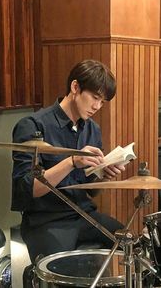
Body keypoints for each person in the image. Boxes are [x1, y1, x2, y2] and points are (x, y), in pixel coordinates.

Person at [12, 59, 125, 264]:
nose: (97, 106)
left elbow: (91, 191)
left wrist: (103, 174)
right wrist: (71, 161)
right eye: (95, 98)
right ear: (75, 87)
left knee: (133, 244)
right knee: (62, 271)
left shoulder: (92, 129)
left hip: (83, 215)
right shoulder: (33, 126)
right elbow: (26, 190)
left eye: (102, 102)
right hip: (46, 221)